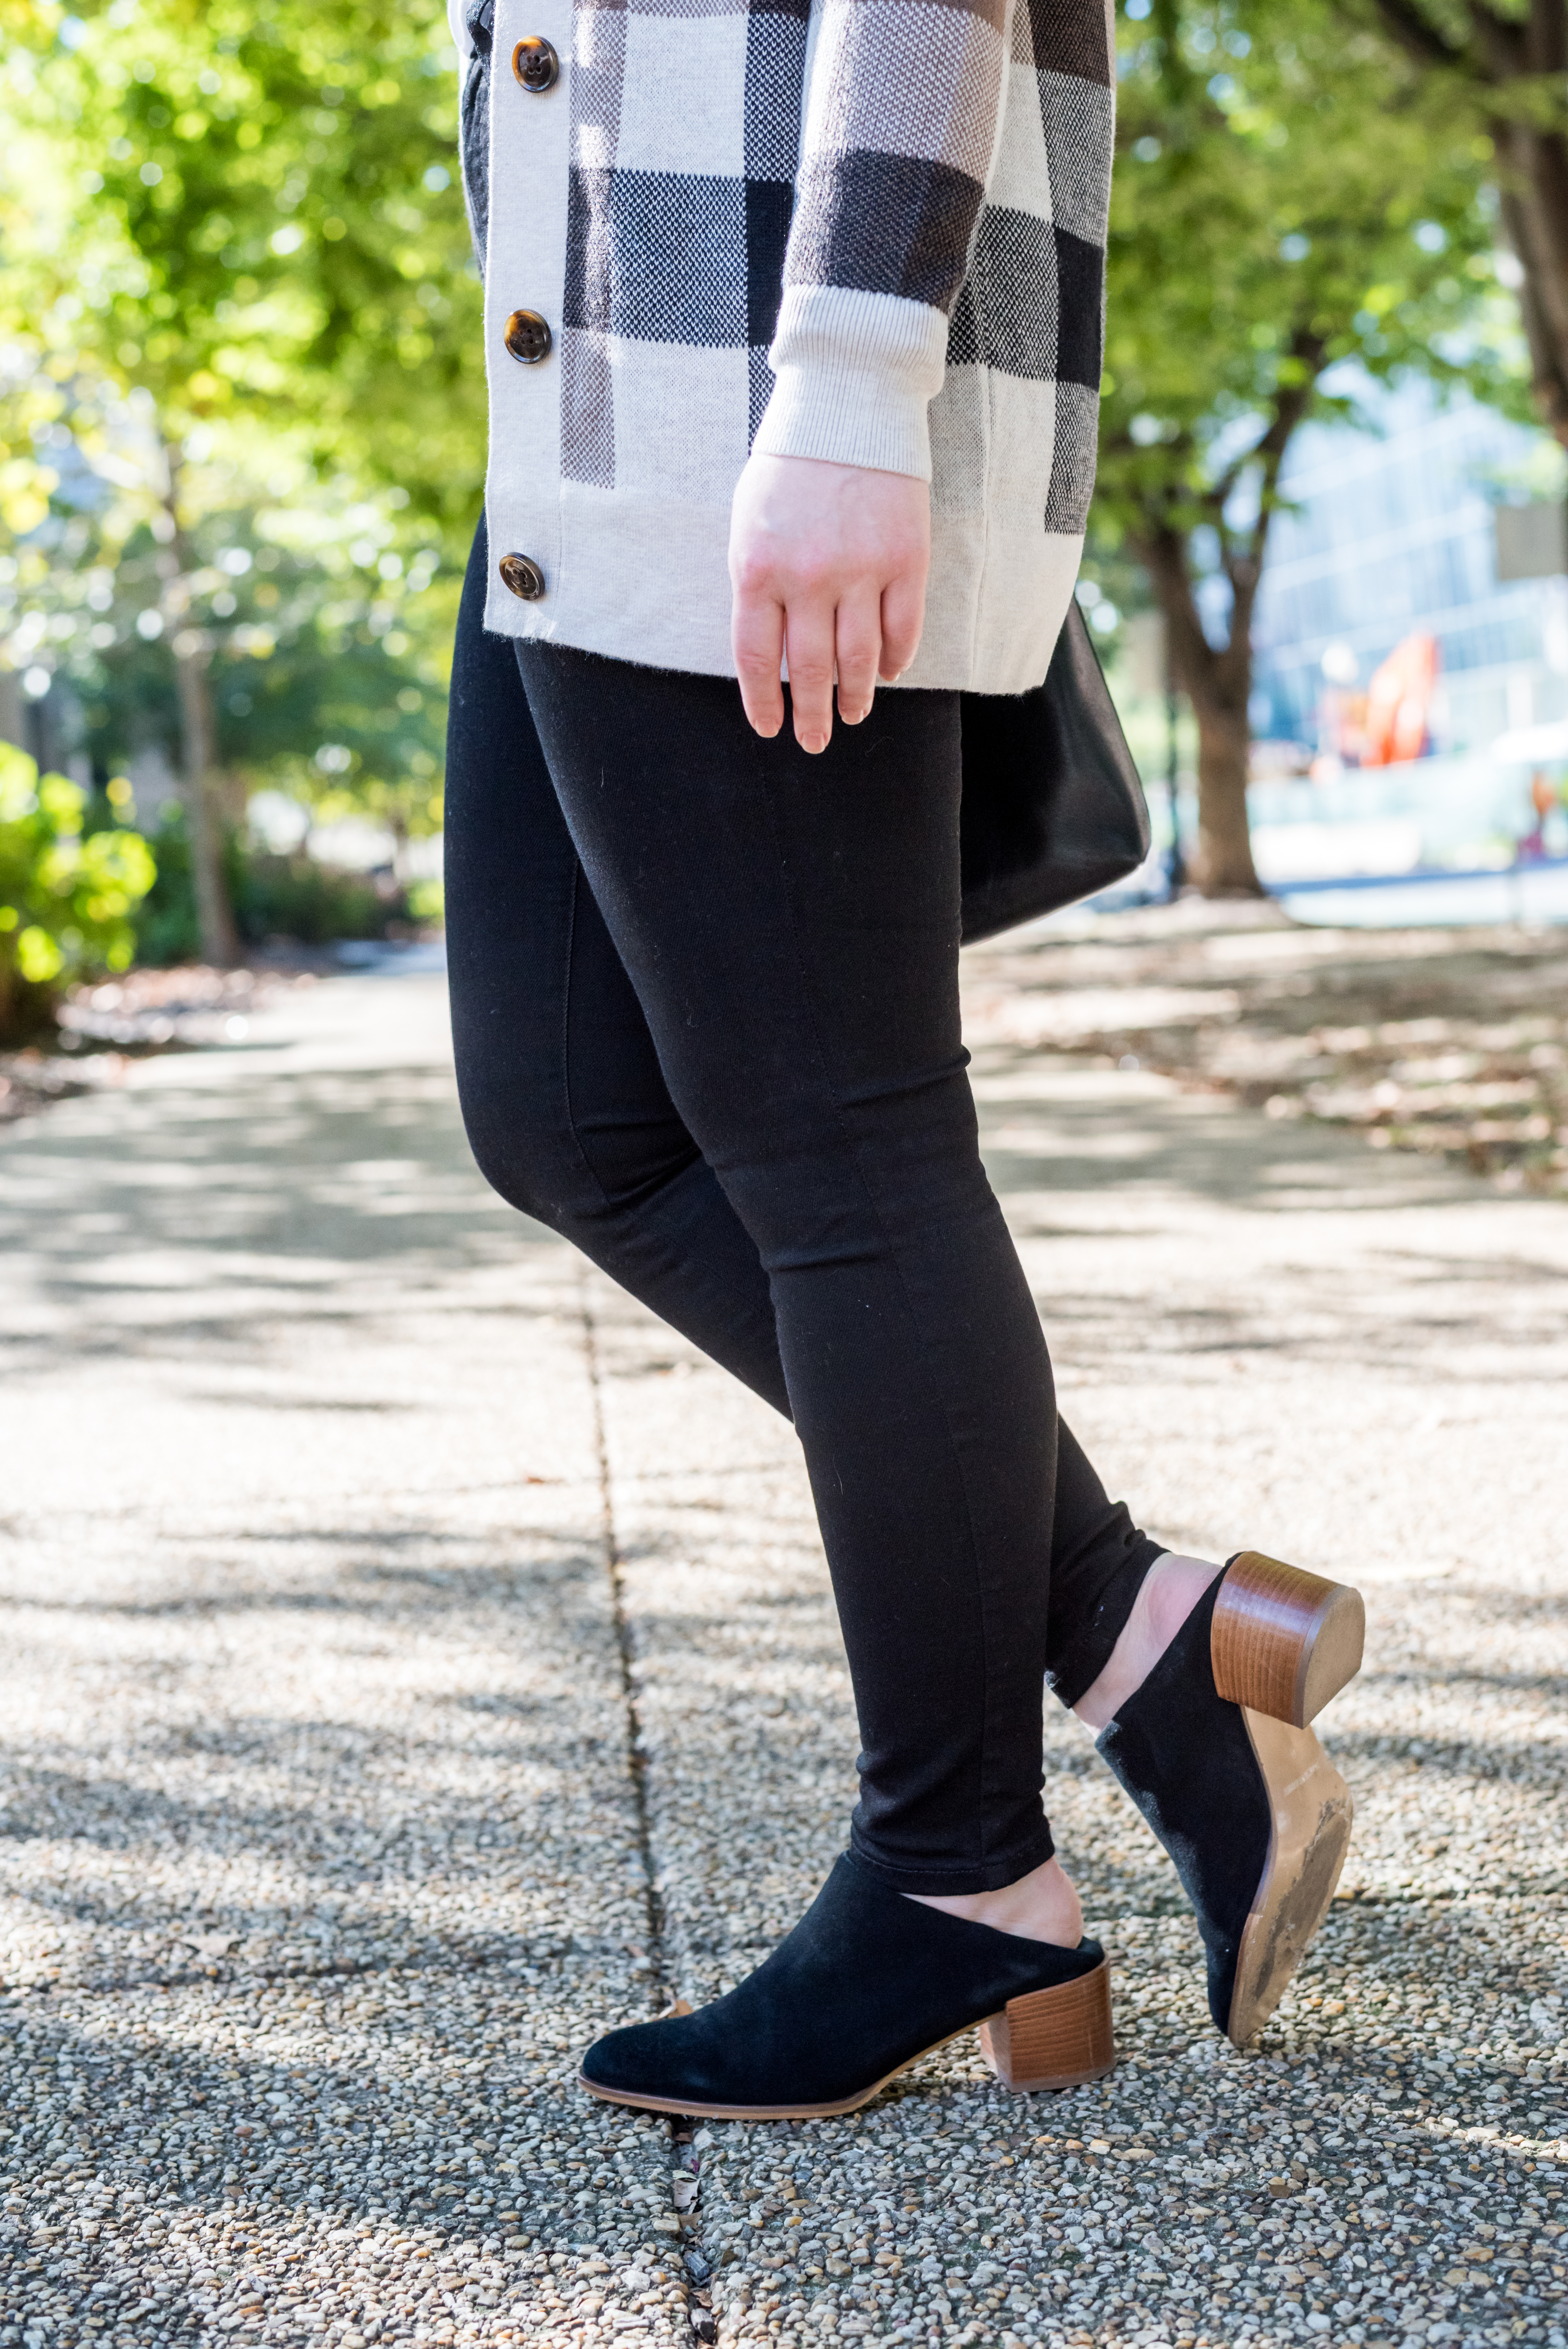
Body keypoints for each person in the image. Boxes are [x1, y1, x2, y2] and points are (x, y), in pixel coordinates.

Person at [443, 0, 1365, 2119]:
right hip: (581, 360)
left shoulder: (827, 364)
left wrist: (852, 374)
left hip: (772, 349)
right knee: (569, 1113)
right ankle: (1142, 1636)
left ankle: (964, 1872)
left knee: (835, 1130)